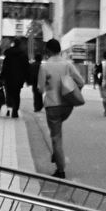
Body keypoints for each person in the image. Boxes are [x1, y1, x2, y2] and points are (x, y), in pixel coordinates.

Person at [38, 38, 83, 179]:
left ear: (48, 50)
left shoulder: (44, 66)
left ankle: (60, 169)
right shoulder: (67, 64)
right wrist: (71, 92)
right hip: (67, 106)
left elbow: (40, 88)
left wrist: (48, 87)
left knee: (56, 136)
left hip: (52, 105)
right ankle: (57, 155)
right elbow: (80, 82)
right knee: (56, 132)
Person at [1, 37, 30, 118]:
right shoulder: (23, 55)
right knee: (17, 94)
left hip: (8, 77)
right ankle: (15, 111)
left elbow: (5, 66)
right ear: (19, 44)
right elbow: (26, 68)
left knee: (9, 93)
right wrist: (27, 79)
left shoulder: (8, 54)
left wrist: (2, 76)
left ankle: (9, 109)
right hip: (19, 78)